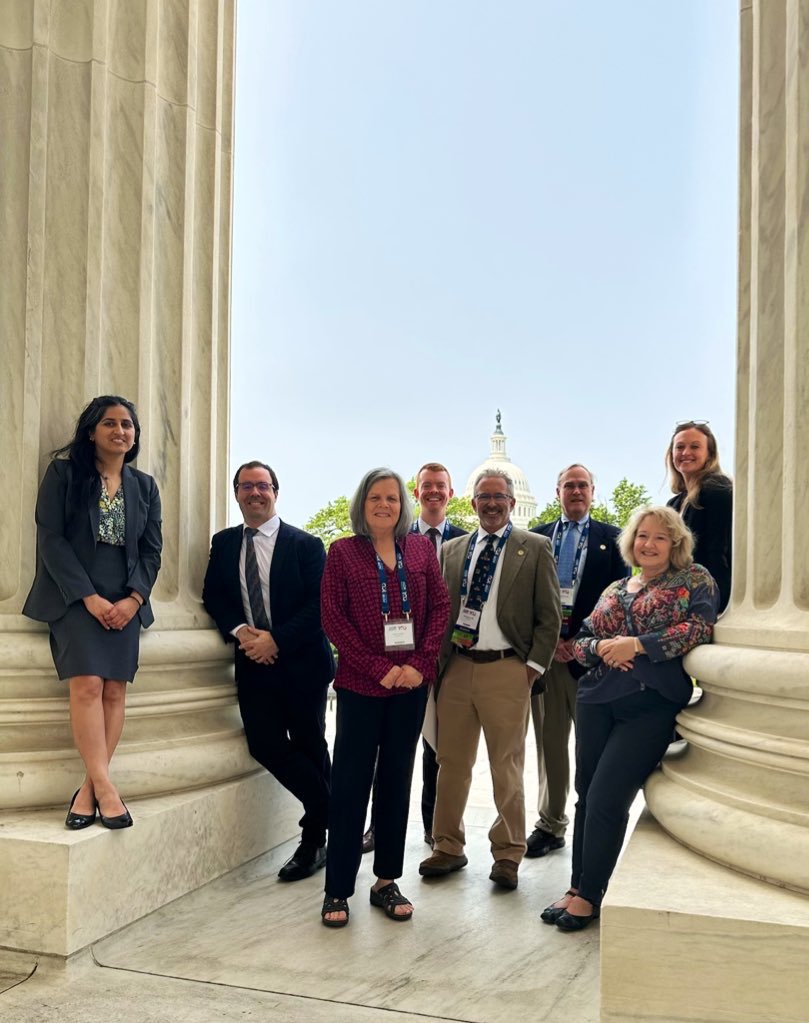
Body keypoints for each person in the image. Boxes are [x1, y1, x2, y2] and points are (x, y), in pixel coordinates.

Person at [541, 506, 718, 931]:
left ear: (676, 543)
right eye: (642, 535)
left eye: (660, 537)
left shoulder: (695, 579)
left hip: (649, 705)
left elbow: (699, 629)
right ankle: (576, 885)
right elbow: (581, 642)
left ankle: (590, 895)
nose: (649, 544)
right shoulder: (617, 586)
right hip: (596, 700)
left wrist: (636, 645)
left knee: (606, 798)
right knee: (586, 795)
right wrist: (602, 649)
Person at [23, 395, 162, 830]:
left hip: (126, 599)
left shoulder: (146, 486)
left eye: (127, 424)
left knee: (115, 692)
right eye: (110, 423)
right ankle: (106, 789)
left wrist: (134, 599)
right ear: (91, 432)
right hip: (75, 595)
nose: (120, 431)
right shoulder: (64, 474)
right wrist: (88, 597)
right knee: (86, 686)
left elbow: (152, 551)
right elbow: (51, 539)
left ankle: (88, 789)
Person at [320, 468, 450, 927]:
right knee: (351, 784)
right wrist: (382, 668)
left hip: (411, 687)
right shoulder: (342, 552)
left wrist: (418, 665)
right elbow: (333, 618)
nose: (384, 505)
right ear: (363, 503)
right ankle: (337, 888)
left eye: (392, 498)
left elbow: (440, 608)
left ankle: (386, 881)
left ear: (403, 505)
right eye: (375, 497)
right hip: (361, 686)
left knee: (397, 780)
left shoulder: (419, 549)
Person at [419, 470, 561, 891]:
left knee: (506, 765)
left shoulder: (535, 548)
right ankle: (447, 845)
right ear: (472, 503)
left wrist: (532, 669)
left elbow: (549, 618)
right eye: (484, 497)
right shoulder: (451, 550)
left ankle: (508, 852)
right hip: (457, 667)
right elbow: (439, 611)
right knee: (451, 763)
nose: (492, 504)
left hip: (507, 669)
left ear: (513, 503)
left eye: (500, 497)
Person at [202, 461, 334, 882]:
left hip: (302, 664)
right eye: (246, 486)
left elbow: (319, 606)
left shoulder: (306, 545)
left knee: (311, 744)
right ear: (237, 493)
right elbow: (214, 596)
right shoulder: (223, 543)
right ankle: (337, 809)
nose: (255, 493)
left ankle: (314, 840)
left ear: (276, 492)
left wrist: (276, 639)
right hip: (253, 664)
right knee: (264, 744)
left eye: (263, 486)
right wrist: (243, 634)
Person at [362, 462, 467, 855]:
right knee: (388, 746)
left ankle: (432, 827)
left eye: (441, 486)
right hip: (400, 661)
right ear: (416, 492)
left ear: (451, 493)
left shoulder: (467, 541)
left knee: (436, 749)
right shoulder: (395, 537)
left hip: (450, 659)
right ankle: (378, 826)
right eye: (427, 486)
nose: (434, 492)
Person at [527, 464, 627, 859]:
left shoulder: (614, 539)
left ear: (593, 492)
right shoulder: (535, 539)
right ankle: (550, 825)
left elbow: (618, 602)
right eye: (569, 485)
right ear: (558, 493)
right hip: (548, 659)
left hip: (592, 662)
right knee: (550, 744)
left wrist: (583, 643)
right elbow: (527, 600)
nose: (576, 491)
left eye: (582, 485)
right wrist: (550, 644)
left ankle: (592, 819)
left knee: (592, 747)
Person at [666, 420, 732, 612]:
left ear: (709, 454)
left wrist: (717, 604)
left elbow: (719, 549)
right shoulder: (674, 504)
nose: (686, 453)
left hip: (707, 599)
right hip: (680, 597)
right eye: (679, 447)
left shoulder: (718, 489)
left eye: (695, 446)